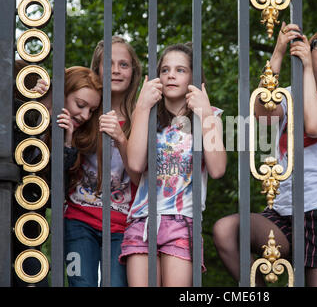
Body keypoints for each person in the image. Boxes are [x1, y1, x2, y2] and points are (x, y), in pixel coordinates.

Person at [213, 23, 317, 287]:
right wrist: (279, 52)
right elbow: (262, 115)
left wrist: (305, 70)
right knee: (227, 231)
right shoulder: (289, 94)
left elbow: (316, 125)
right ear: (308, 49)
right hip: (284, 211)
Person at [119, 42, 227, 287]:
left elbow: (218, 169)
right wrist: (142, 106)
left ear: (193, 77)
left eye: (180, 70)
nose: (170, 75)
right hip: (142, 221)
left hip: (182, 221)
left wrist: (205, 116)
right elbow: (135, 164)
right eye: (165, 70)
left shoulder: (210, 116)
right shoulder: (146, 115)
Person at [12, 63, 102, 287]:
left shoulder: (70, 142)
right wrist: (35, 111)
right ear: (61, 92)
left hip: (27, 238)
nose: (84, 115)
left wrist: (66, 145)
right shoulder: (20, 109)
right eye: (80, 105)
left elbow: (53, 197)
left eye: (90, 111)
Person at [64, 36, 142, 287]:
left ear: (133, 72)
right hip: (79, 218)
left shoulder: (143, 117)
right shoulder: (85, 108)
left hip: (122, 226)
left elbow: (143, 178)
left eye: (124, 64)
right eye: (108, 64)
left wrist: (121, 137)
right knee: (82, 284)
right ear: (96, 68)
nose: (116, 70)